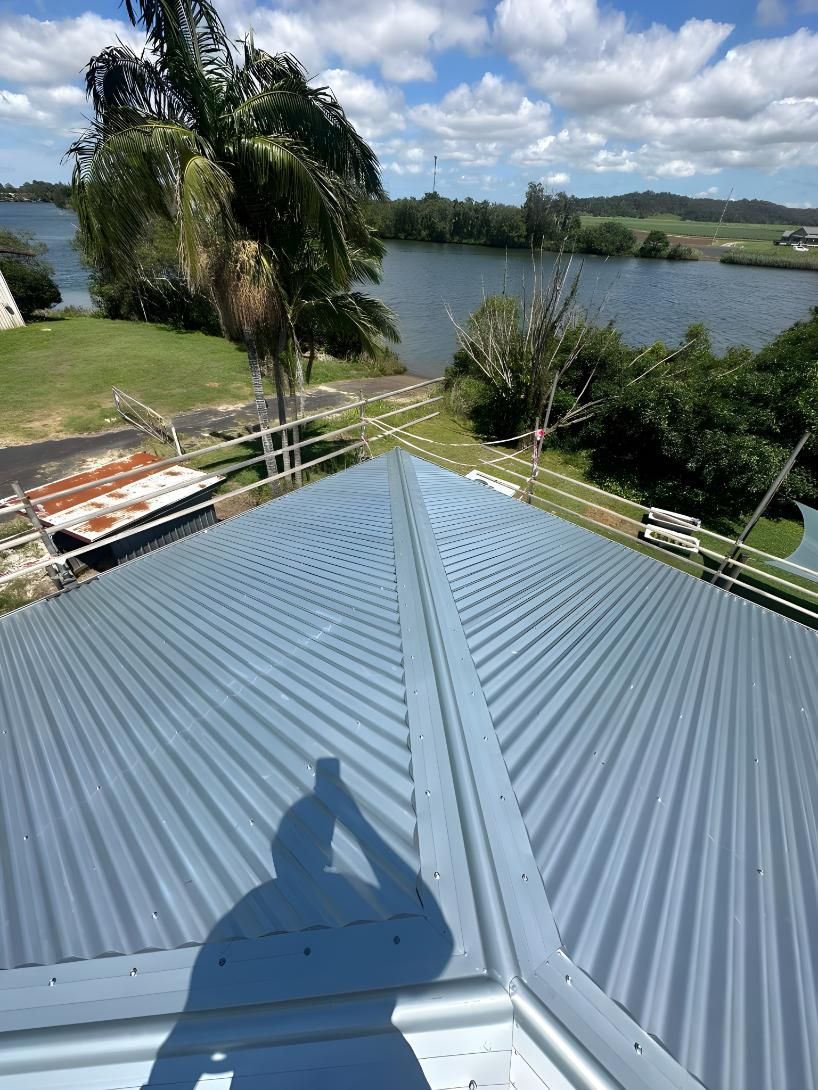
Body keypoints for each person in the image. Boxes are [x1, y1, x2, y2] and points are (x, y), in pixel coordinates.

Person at [142, 757, 452, 1088]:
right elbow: (437, 949)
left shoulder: (239, 920)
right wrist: (357, 823)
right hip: (377, 1063)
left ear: (278, 855)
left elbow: (183, 1041)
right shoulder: (351, 892)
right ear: (328, 853)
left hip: (271, 1072)